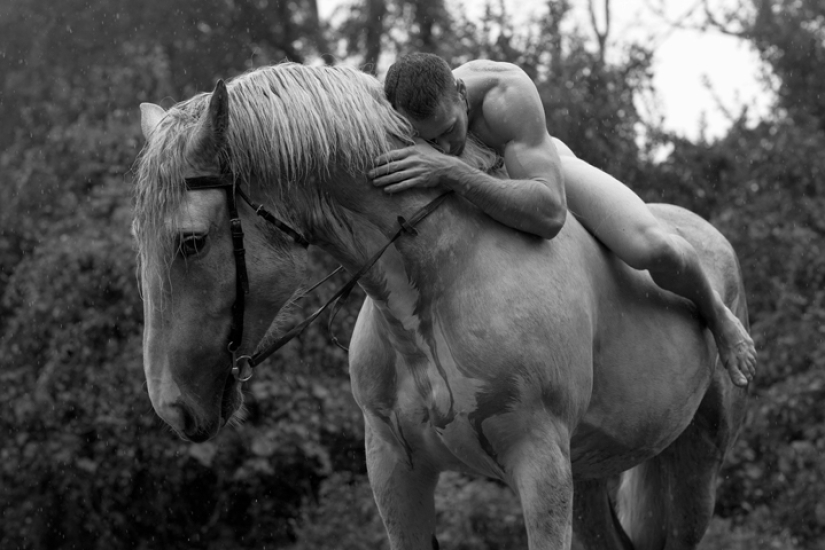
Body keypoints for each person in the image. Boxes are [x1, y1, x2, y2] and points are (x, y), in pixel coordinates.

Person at [369, 53, 756, 386]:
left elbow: (550, 213)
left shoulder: (505, 94)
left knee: (653, 247)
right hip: (473, 190)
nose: (446, 146)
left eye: (450, 130)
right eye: (430, 141)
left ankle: (717, 314)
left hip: (537, 174)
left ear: (459, 92)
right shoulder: (398, 113)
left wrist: (450, 171)